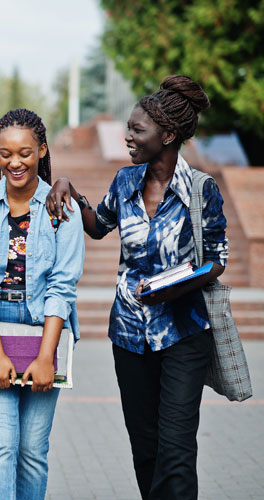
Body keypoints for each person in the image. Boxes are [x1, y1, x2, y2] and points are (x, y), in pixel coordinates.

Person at [46, 75, 225, 500]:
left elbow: (217, 260)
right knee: (145, 450)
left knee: (177, 450)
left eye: (136, 130)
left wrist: (175, 288)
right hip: (129, 334)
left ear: (167, 135)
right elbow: (97, 226)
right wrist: (69, 189)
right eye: (128, 127)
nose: (127, 136)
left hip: (183, 331)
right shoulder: (126, 182)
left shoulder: (201, 190)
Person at [0, 109, 84, 499]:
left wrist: (46, 357)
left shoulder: (63, 207)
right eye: (6, 153)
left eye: (26, 153)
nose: (15, 162)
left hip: (47, 327)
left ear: (42, 150)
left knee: (32, 451)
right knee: (1, 445)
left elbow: (62, 287)